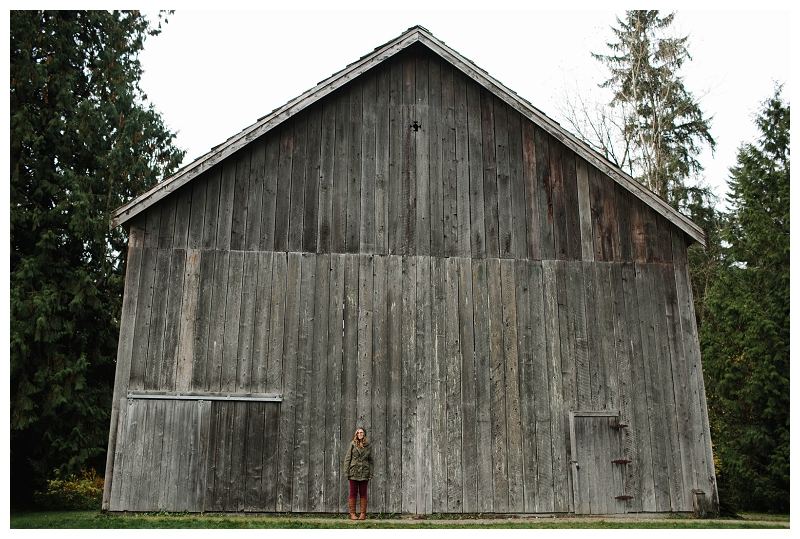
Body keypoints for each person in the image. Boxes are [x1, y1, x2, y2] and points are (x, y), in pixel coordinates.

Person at [343, 427, 373, 520]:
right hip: (354, 472)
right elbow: (348, 458)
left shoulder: (368, 446)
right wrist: (346, 472)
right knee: (353, 492)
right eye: (358, 432)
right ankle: (352, 513)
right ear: (356, 434)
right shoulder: (352, 444)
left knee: (363, 493)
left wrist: (370, 474)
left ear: (364, 434)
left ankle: (362, 514)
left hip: (364, 472)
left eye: (361, 432)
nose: (360, 434)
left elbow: (371, 461)